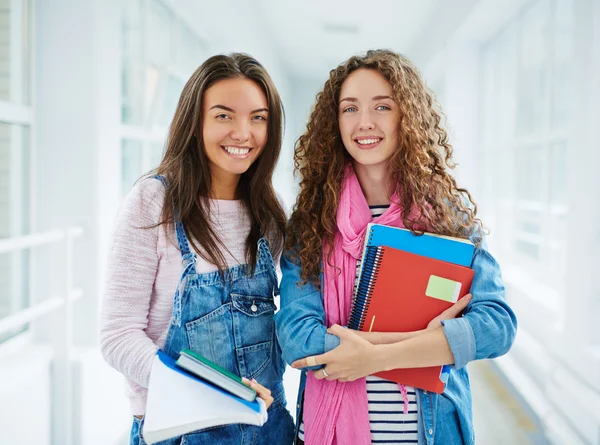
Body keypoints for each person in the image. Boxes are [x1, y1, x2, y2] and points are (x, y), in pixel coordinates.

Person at [275, 49, 517, 445]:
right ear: (334, 122)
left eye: (382, 106)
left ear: (407, 115)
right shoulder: (309, 224)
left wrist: (374, 357)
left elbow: (497, 326)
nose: (364, 122)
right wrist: (427, 343)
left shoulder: (450, 220)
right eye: (349, 109)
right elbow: (297, 337)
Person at [100, 53, 295, 445]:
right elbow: (117, 336)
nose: (243, 132)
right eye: (224, 115)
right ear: (194, 122)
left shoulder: (271, 214)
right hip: (181, 432)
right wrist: (209, 393)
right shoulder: (153, 202)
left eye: (258, 117)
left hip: (266, 431)